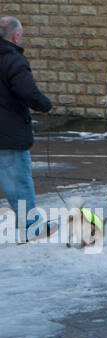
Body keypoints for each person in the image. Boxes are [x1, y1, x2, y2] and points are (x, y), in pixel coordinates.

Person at [0, 16, 53, 239]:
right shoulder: (13, 60)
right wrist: (45, 105)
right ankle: (33, 227)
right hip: (8, 133)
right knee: (18, 182)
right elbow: (27, 91)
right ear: (16, 36)